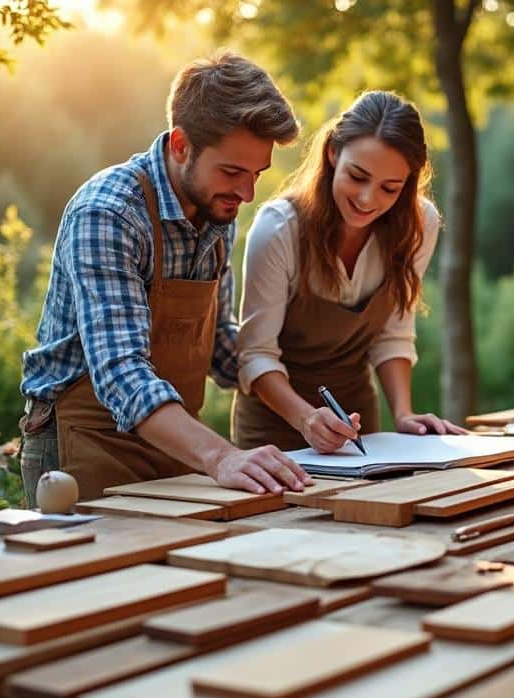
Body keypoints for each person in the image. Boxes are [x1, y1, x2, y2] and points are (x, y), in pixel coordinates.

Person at [19, 51, 309, 505]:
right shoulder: (108, 213)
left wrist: (302, 408)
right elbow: (121, 372)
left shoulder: (218, 205)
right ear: (180, 145)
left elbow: (217, 343)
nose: (247, 193)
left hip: (175, 444)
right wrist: (222, 457)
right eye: (233, 171)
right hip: (85, 446)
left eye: (257, 174)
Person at [232, 91, 466, 452]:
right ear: (332, 154)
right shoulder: (280, 228)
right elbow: (255, 354)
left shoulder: (419, 224)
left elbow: (393, 334)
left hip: (359, 430)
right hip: (274, 432)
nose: (368, 199)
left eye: (390, 188)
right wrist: (308, 419)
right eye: (357, 177)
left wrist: (404, 414)